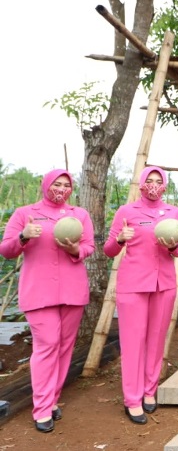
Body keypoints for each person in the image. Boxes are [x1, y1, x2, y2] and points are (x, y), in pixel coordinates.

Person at [0, 169, 94, 433]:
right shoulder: (24, 213)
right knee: (47, 344)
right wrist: (24, 236)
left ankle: (51, 400)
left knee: (64, 346)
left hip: (73, 291)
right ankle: (41, 408)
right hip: (39, 292)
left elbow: (89, 246)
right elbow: (6, 250)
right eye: (56, 183)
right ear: (46, 184)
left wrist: (76, 250)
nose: (61, 189)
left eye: (66, 184)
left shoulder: (79, 215)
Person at [104, 166, 178, 424]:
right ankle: (132, 398)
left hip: (164, 284)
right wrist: (119, 239)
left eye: (158, 181)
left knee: (156, 340)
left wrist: (172, 245)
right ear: (141, 183)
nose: (153, 185)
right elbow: (108, 250)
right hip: (133, 285)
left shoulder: (173, 212)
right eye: (148, 180)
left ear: (165, 185)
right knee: (133, 342)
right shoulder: (127, 212)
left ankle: (150, 390)